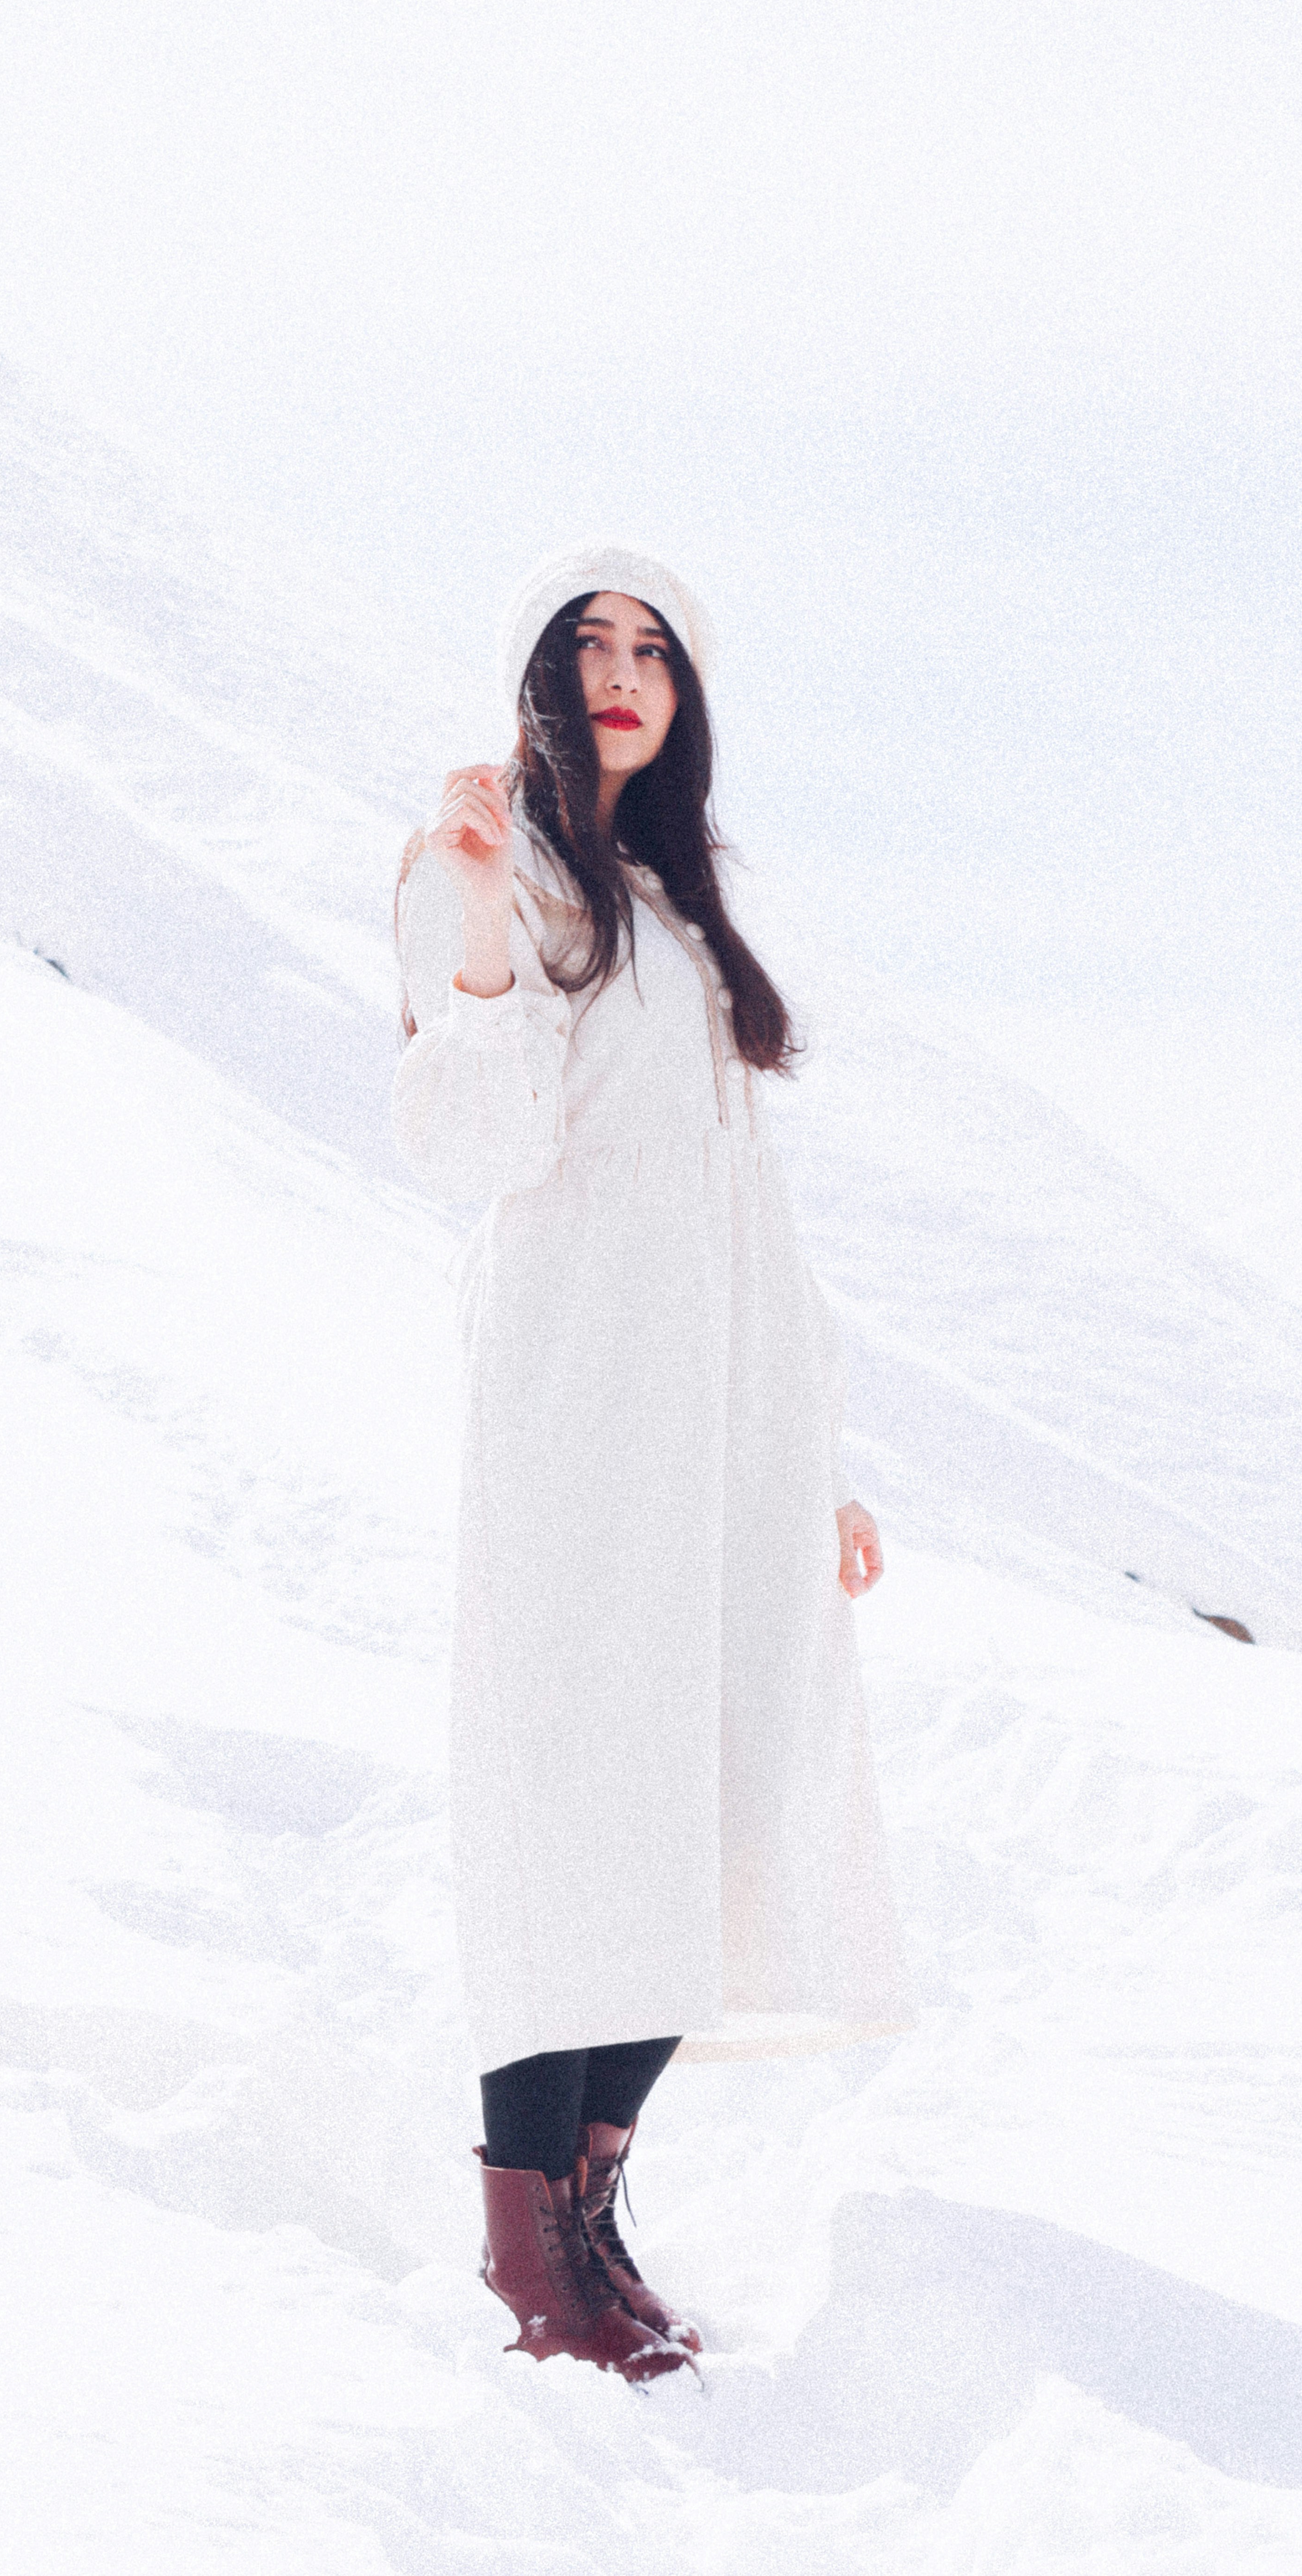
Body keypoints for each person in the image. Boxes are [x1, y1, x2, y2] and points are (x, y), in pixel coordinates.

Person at [392, 546, 912, 2385]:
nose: (622, 673)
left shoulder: (681, 920)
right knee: (569, 1814)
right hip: (571, 1416)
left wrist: (816, 1456)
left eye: (655, 651)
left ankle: (597, 2214)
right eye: (587, 642)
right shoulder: (497, 865)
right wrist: (465, 919)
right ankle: (524, 2245)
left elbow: (755, 1220)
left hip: (722, 1433)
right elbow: (478, 1137)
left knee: (698, 1817)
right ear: (538, 673)